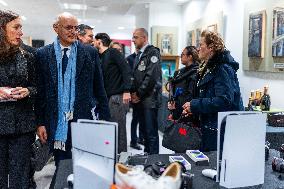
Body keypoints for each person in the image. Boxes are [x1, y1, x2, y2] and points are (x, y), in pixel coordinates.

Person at [35, 12, 110, 179]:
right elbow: (40, 93)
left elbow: (99, 89)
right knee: (62, 165)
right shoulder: (42, 55)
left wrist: (105, 120)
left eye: (75, 28)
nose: (73, 31)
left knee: (85, 165)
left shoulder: (89, 53)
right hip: (56, 122)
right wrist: (40, 123)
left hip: (84, 119)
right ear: (56, 28)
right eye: (68, 27)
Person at [182, 30, 244, 152]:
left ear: (211, 47)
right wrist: (193, 109)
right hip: (211, 126)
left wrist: (194, 105)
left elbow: (224, 100)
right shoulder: (209, 67)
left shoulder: (222, 69)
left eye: (201, 45)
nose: (198, 49)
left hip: (219, 129)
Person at [0, 10, 37, 188]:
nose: (21, 32)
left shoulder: (28, 56)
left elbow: (38, 87)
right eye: (16, 27)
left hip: (23, 127)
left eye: (21, 28)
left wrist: (28, 91)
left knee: (21, 178)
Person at [94, 33, 132, 153]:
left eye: (95, 41)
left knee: (119, 131)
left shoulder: (113, 53)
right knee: (108, 130)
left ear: (99, 42)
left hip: (116, 97)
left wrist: (127, 90)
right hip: (105, 99)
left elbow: (126, 70)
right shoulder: (99, 56)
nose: (93, 43)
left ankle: (121, 160)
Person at [131, 28, 162, 154]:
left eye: (136, 37)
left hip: (149, 99)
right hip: (141, 99)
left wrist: (138, 93)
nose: (133, 40)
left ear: (144, 38)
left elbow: (151, 77)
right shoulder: (139, 54)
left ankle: (154, 160)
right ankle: (147, 155)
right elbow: (136, 76)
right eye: (133, 37)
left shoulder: (152, 52)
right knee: (144, 131)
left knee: (151, 132)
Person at [167, 46, 199, 120]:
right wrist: (171, 103)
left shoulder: (196, 73)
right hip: (175, 111)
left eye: (183, 54)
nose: (181, 56)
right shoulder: (178, 72)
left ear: (190, 57)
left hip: (187, 113)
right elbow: (173, 90)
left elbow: (190, 96)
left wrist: (177, 106)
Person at [126, 50, 144, 150]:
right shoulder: (130, 59)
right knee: (135, 118)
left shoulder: (145, 57)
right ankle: (133, 141)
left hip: (144, 93)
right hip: (134, 94)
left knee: (142, 118)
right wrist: (132, 93)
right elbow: (129, 77)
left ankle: (141, 138)